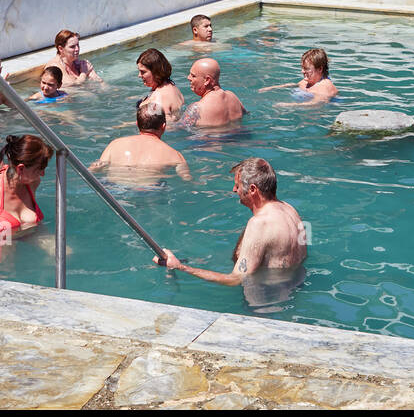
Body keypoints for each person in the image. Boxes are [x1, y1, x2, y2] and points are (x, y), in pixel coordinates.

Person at [155, 157, 306, 286]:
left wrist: (180, 267)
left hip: (265, 303)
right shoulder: (291, 210)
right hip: (292, 289)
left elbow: (236, 279)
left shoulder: (259, 224)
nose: (234, 190)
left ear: (253, 189)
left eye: (238, 186)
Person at [92, 102, 191, 181]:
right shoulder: (174, 155)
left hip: (114, 189)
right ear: (163, 126)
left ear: (137, 124)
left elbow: (95, 169)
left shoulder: (115, 144)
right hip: (149, 192)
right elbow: (186, 179)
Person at [179, 57, 246, 128]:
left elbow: (178, 128)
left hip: (211, 138)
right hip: (240, 136)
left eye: (193, 76)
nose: (188, 78)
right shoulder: (233, 97)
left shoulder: (197, 108)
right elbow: (246, 115)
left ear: (207, 80)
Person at [262, 48, 338, 104]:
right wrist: (272, 88)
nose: (302, 71)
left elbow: (316, 103)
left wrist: (289, 105)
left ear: (320, 69)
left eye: (306, 69)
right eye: (302, 68)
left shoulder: (324, 87)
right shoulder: (309, 80)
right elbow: (295, 85)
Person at [136, 48, 184, 119]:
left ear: (156, 72)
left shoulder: (156, 99)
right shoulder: (172, 87)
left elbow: (156, 127)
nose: (139, 75)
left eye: (143, 72)